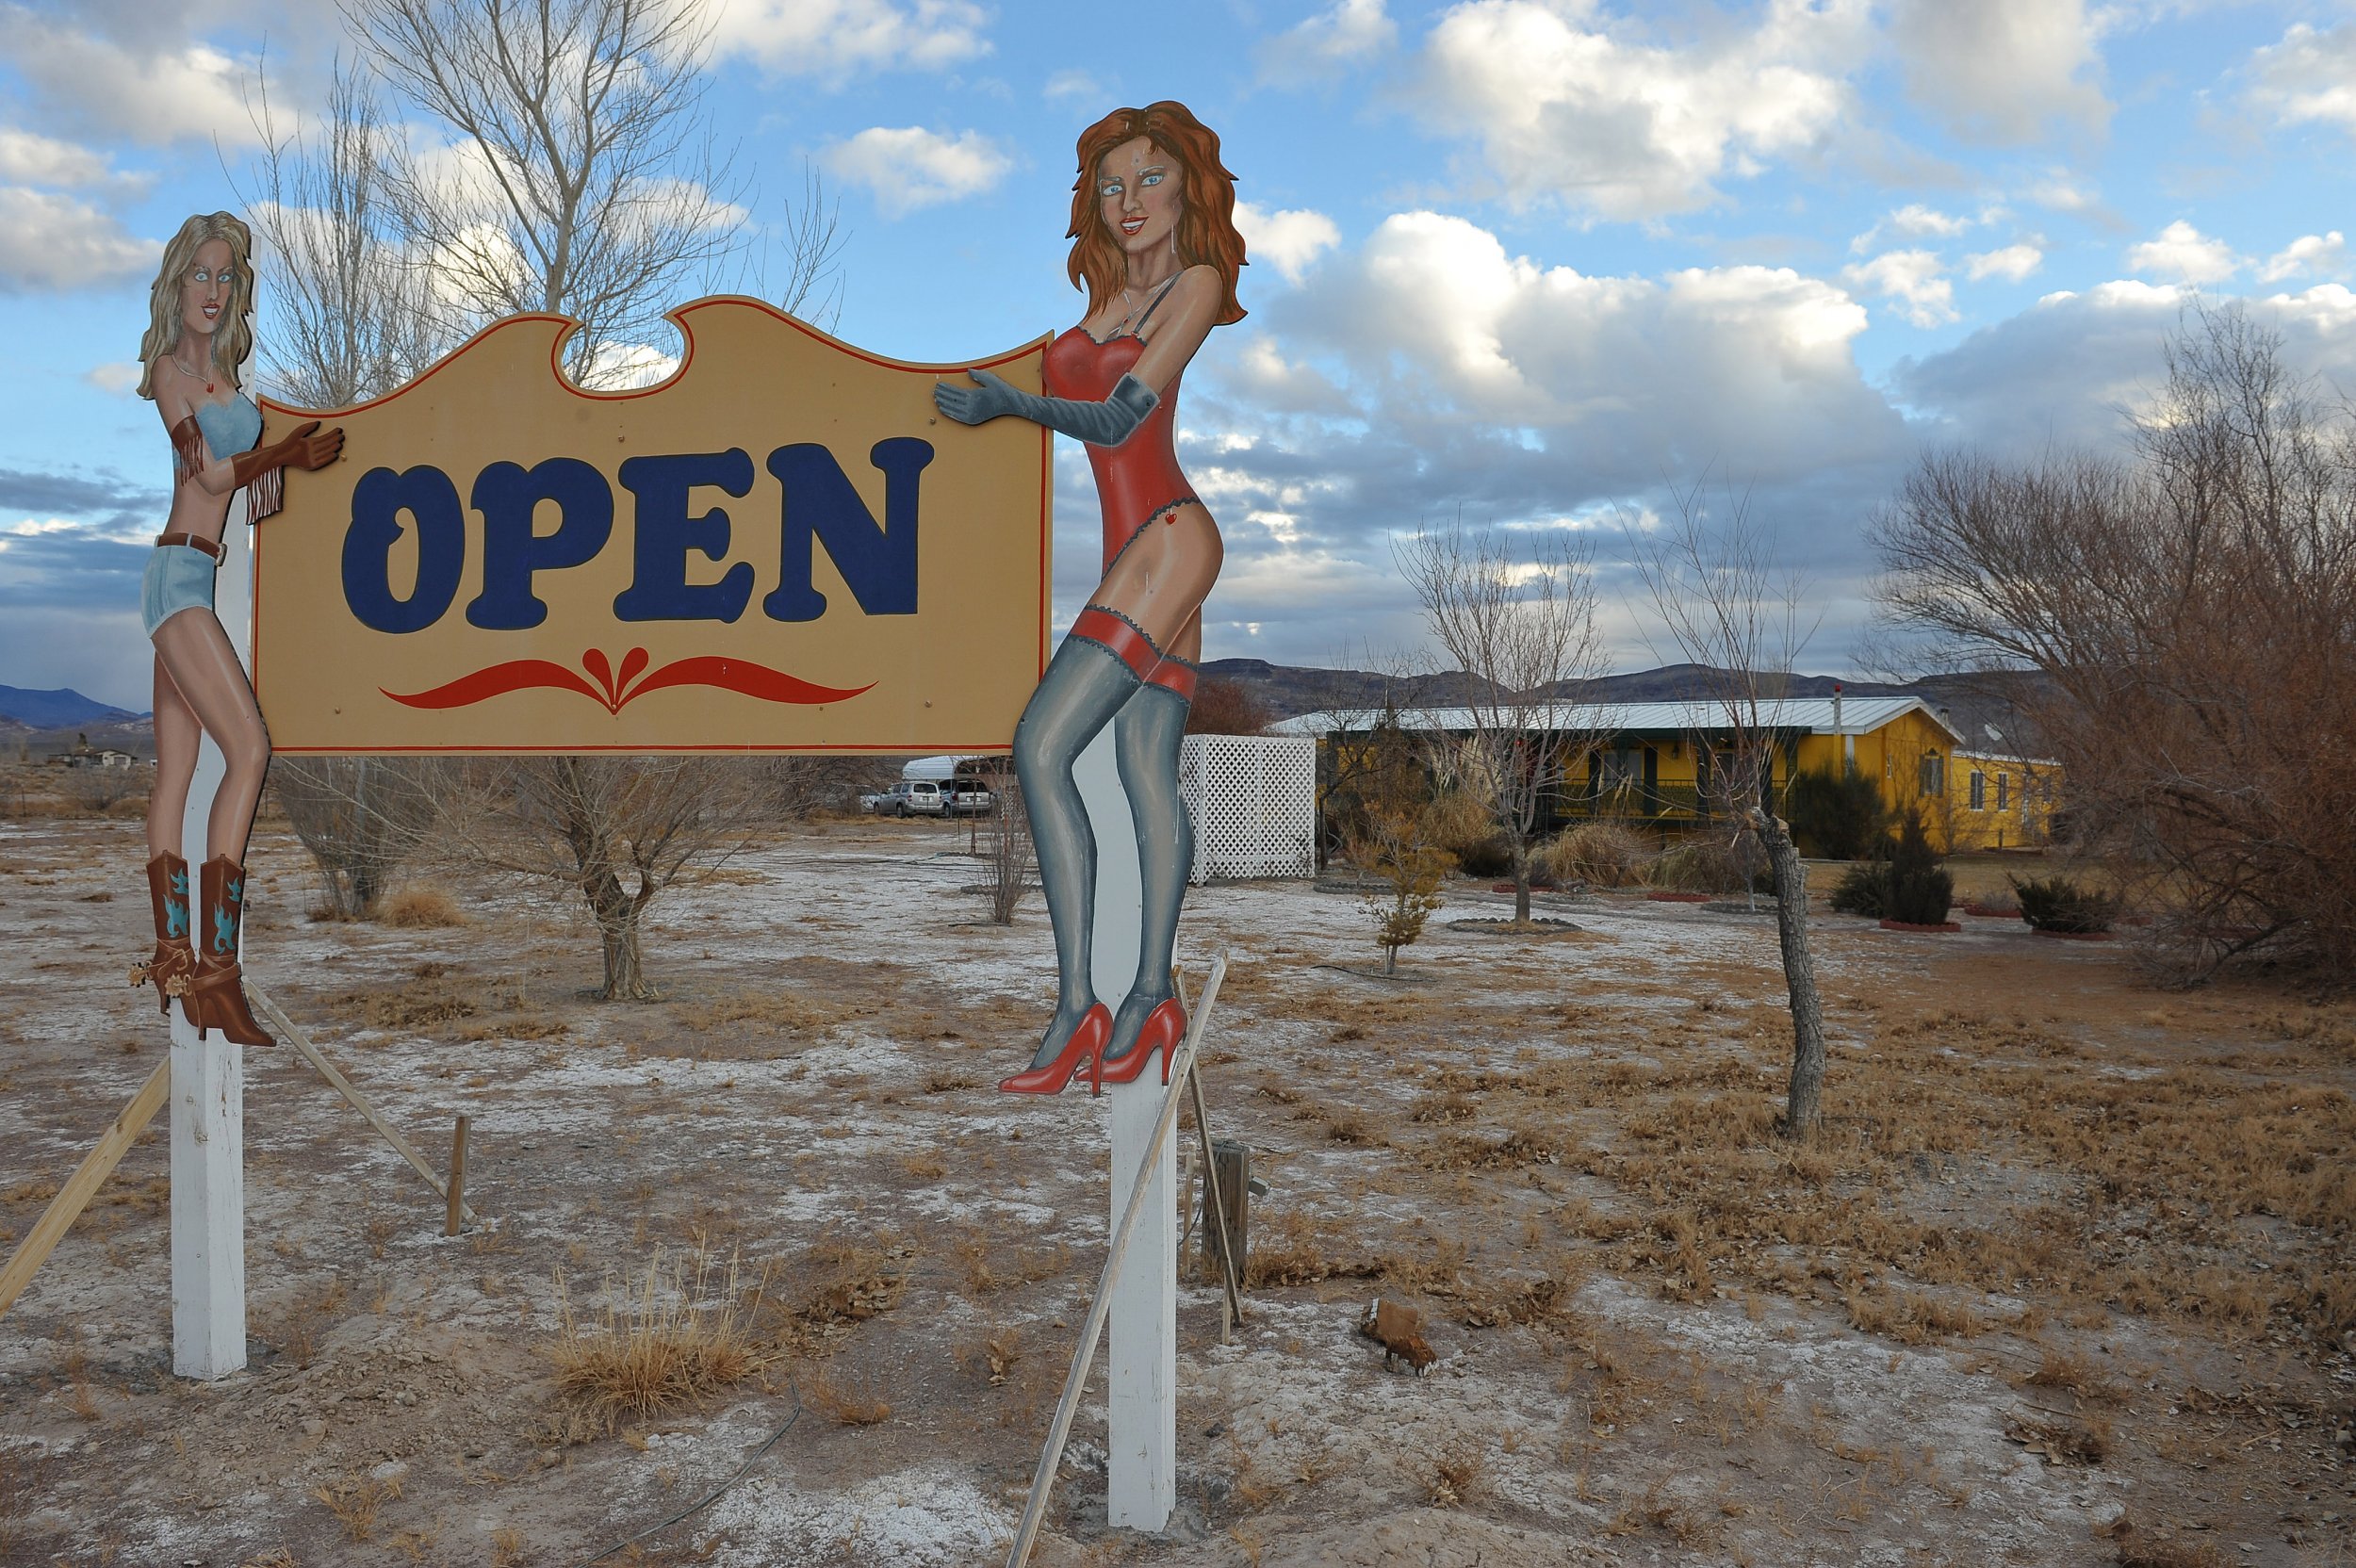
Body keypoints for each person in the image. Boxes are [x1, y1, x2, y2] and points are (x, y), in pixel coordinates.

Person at [935, 102, 1246, 1095]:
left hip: (1169, 535)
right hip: (1136, 546)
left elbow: (1118, 414)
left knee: (1039, 744)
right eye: (1109, 186)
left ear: (1187, 188)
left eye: (1149, 179)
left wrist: (1009, 402)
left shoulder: (1195, 286)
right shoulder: (1102, 301)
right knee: (1143, 769)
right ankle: (1147, 992)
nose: (1127, 202)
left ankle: (1081, 1005)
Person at [129, 212, 344, 1046]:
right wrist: (282, 457)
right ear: (176, 283)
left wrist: (273, 479)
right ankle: (210, 971)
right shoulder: (170, 373)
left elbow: (235, 481)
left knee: (178, 771)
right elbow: (208, 471)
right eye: (200, 275)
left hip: (201, 575)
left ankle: (187, 973)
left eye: (226, 277)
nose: (214, 292)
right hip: (178, 576)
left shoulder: (226, 380)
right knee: (249, 750)